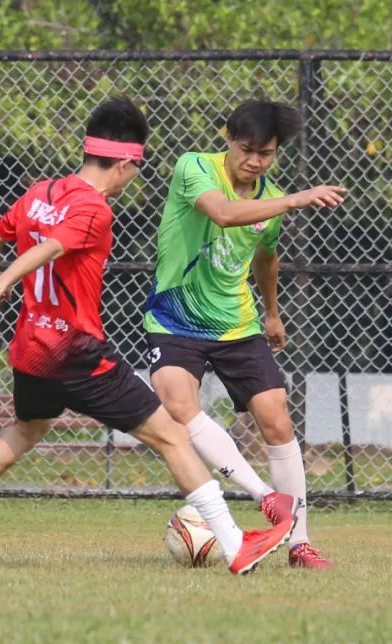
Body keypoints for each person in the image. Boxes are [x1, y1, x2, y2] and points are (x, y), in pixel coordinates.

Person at [0, 96, 299, 576]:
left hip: (30, 346)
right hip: (77, 352)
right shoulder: (94, 208)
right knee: (172, 437)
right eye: (134, 170)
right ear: (124, 162)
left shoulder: (39, 192)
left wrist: (0, 283)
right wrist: (0, 284)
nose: (133, 180)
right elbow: (57, 245)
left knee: (28, 427)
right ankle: (233, 543)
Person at [144, 99, 347, 569]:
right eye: (247, 149)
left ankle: (300, 542)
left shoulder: (269, 201)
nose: (255, 161)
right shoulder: (193, 167)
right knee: (177, 404)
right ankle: (264, 497)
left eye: (267, 153)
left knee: (276, 419)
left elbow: (265, 257)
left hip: (237, 323)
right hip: (175, 316)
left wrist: (272, 313)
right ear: (228, 139)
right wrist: (296, 198)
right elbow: (222, 214)